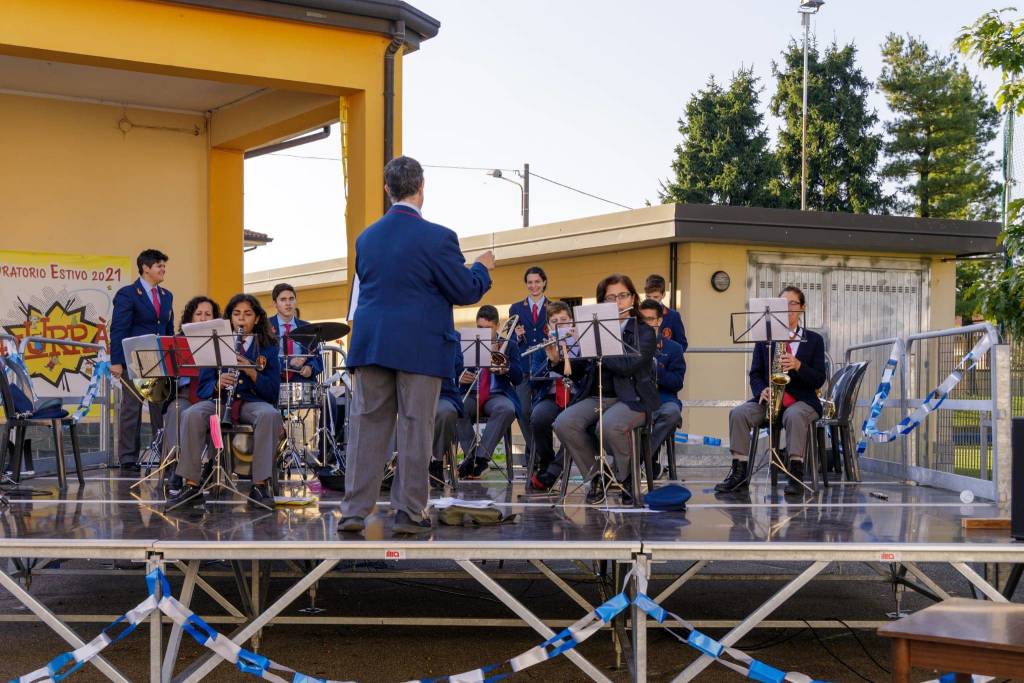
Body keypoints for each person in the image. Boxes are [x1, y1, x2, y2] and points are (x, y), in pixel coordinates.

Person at [340, 155, 494, 535]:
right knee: (414, 427)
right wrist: (482, 267)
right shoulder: (439, 237)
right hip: (419, 347)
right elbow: (464, 290)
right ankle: (409, 512)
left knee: (366, 426)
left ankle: (354, 512)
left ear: (387, 190)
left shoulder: (366, 237)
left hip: (372, 342)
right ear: (421, 187)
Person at [165, 294, 282, 509]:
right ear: (230, 318)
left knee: (270, 414)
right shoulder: (217, 342)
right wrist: (218, 384)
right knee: (191, 414)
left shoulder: (268, 346)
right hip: (219, 401)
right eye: (236, 314)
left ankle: (259, 485)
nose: (241, 319)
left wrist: (252, 372)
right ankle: (191, 485)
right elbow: (203, 388)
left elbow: (272, 392)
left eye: (247, 314)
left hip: (250, 402)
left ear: (256, 319)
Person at [551, 274, 658, 505]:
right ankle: (598, 476)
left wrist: (596, 344)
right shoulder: (595, 328)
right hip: (598, 395)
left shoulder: (644, 332)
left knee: (608, 426)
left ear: (633, 298)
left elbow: (628, 367)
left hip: (633, 398)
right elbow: (582, 371)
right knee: (564, 423)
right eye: (610, 298)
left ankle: (626, 476)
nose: (617, 302)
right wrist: (557, 360)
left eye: (622, 296)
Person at [715, 285, 826, 496]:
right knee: (738, 414)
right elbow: (755, 374)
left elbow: (819, 378)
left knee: (794, 415)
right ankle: (739, 473)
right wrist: (762, 390)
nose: (787, 308)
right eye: (782, 304)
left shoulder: (814, 340)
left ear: (802, 308)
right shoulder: (765, 339)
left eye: (792, 303)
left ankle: (795, 473)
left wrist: (798, 365)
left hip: (802, 401)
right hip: (770, 401)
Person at [109, 249, 174, 474]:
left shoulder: (167, 296)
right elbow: (118, 328)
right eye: (159, 266)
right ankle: (128, 458)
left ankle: (165, 453)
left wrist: (171, 357)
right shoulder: (128, 294)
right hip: (133, 359)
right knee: (131, 408)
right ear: (145, 268)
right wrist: (116, 361)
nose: (163, 269)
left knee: (160, 407)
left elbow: (168, 328)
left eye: (164, 266)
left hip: (158, 359)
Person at [456, 305, 524, 479]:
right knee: (456, 409)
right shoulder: (466, 343)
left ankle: (480, 458)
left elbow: (519, 377)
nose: (483, 333)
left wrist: (505, 368)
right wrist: (460, 376)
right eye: (480, 328)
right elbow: (453, 368)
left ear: (497, 326)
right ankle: (472, 458)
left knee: (507, 409)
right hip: (472, 393)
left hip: (497, 394)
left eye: (488, 329)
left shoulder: (509, 344)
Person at [162, 295, 219, 495]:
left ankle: (213, 466)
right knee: (176, 410)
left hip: (212, 396)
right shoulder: (178, 341)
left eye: (208, 314)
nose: (203, 318)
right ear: (190, 317)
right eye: (199, 314)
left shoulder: (221, 341)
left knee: (216, 416)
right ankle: (177, 467)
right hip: (185, 394)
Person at [528, 301, 576, 492]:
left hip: (577, 397)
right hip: (551, 396)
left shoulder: (582, 344)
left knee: (577, 424)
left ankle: (554, 470)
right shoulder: (542, 348)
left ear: (572, 322)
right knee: (539, 418)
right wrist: (549, 361)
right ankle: (547, 462)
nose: (560, 325)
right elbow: (533, 381)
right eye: (555, 321)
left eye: (564, 320)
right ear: (548, 327)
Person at [638, 299, 685, 477]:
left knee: (672, 413)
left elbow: (677, 382)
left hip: (663, 398)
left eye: (650, 319)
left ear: (659, 321)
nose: (646, 323)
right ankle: (644, 459)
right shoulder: (630, 345)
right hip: (637, 399)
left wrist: (657, 369)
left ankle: (640, 458)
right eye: (642, 319)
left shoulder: (674, 348)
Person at [508, 266, 549, 456]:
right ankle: (536, 452)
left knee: (540, 413)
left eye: (537, 282)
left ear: (544, 282)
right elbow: (510, 340)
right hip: (524, 365)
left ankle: (534, 455)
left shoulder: (553, 306)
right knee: (523, 410)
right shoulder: (516, 308)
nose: (534, 286)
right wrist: (516, 336)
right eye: (530, 282)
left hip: (545, 366)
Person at [431, 333, 463, 487]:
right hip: (412, 393)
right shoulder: (408, 329)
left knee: (446, 413)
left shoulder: (453, 336)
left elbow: (457, 366)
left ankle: (436, 462)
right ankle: (389, 466)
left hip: (443, 393)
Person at [643, 274, 687, 349]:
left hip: (666, 359)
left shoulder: (673, 316)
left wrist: (670, 356)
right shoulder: (639, 315)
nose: (651, 300)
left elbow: (682, 344)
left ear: (663, 295)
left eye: (655, 297)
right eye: (648, 297)